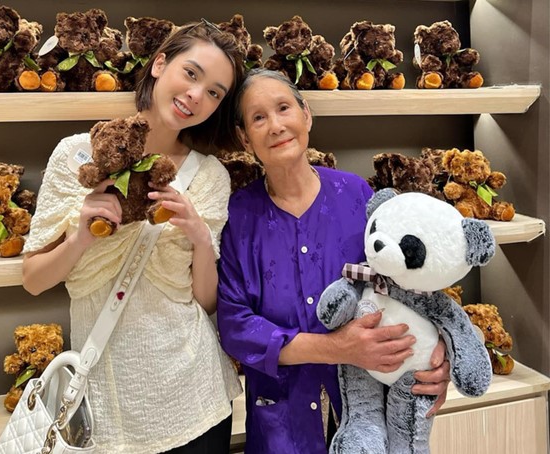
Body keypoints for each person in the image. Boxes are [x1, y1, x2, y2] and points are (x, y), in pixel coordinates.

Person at [22, 21, 245, 454]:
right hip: (107, 402)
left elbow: (206, 301)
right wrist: (81, 238)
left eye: (215, 92)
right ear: (160, 64)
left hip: (196, 395)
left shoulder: (211, 177)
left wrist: (200, 236)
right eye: (192, 74)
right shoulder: (76, 155)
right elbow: (32, 279)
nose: (197, 96)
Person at [216, 68, 450, 453]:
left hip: (371, 411)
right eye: (258, 118)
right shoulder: (240, 215)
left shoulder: (357, 195)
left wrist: (437, 353)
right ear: (245, 137)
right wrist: (337, 347)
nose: (276, 126)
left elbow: (410, 285)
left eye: (284, 108)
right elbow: (236, 327)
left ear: (306, 114)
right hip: (282, 425)